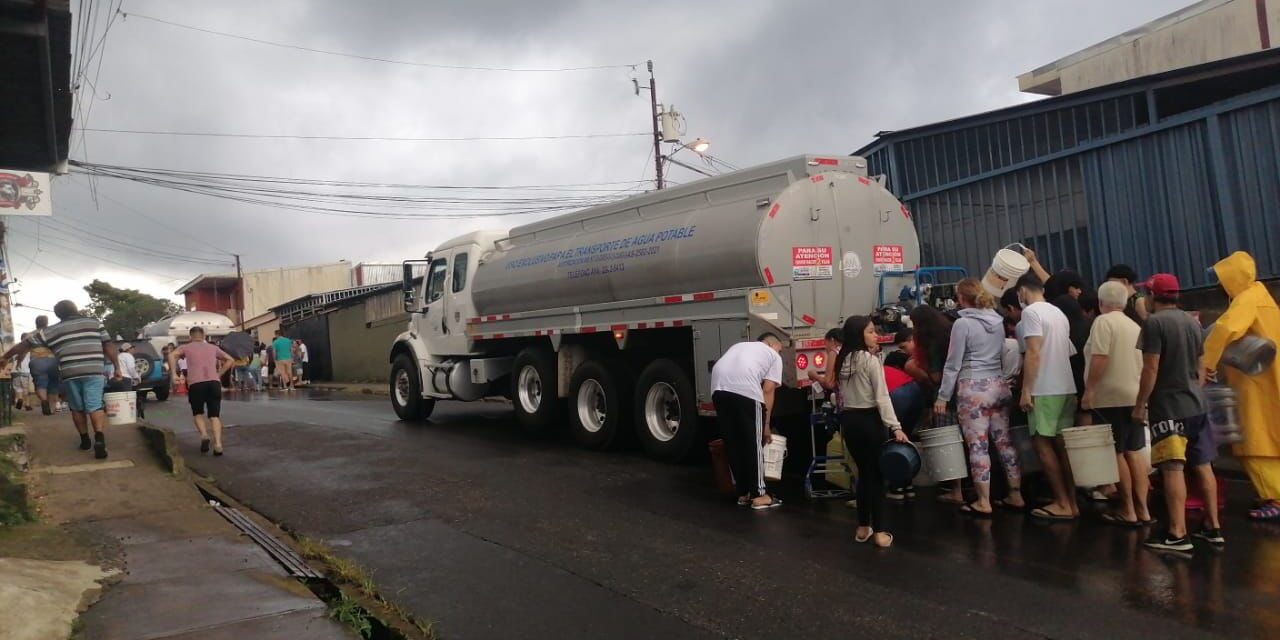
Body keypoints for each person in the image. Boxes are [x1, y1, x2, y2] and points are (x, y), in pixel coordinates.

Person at [1136, 273, 1223, 552]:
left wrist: (1140, 405)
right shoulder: (1192, 322)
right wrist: (1194, 387)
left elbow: (1151, 368)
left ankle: (1177, 533)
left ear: (1152, 295)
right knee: (1202, 464)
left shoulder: (1154, 323)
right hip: (1197, 404)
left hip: (1170, 407)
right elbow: (1202, 364)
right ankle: (1212, 526)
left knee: (1172, 467)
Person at [814, 316, 909, 548]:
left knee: (863, 473)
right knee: (876, 476)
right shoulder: (870, 360)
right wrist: (895, 426)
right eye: (870, 332)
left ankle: (863, 526)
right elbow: (882, 396)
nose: (875, 336)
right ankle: (881, 530)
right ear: (859, 335)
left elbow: (838, 394)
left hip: (849, 421)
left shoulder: (842, 359)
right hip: (870, 420)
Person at [935, 278, 1023, 515]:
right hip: (998, 385)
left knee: (978, 446)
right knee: (1004, 442)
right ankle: (1016, 494)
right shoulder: (998, 320)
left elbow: (953, 364)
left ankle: (983, 500)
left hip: (972, 388)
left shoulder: (962, 324)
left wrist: (942, 397)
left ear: (962, 298)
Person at [1203, 252, 1280, 521]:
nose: (1219, 286)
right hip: (1270, 377)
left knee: (1254, 441)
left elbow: (1226, 329)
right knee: (1272, 436)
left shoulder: (1245, 300)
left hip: (1254, 381)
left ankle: (1275, 497)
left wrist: (1206, 362)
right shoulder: (1263, 296)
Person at [1, 301, 121, 458]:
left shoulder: (51, 331)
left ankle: (85, 441)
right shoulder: (94, 323)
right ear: (75, 309)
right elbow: (108, 346)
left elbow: (24, 345)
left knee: (77, 408)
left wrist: (5, 357)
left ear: (58, 315)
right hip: (93, 370)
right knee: (95, 406)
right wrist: (117, 367)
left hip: (70, 372)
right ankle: (99, 438)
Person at [1082, 282, 1152, 527]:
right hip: (1135, 394)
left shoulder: (1103, 323)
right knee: (1134, 451)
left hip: (1110, 397)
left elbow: (1100, 358)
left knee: (1117, 452)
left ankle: (1128, 509)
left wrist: (1089, 390)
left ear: (1101, 303)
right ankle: (1143, 510)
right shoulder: (1135, 325)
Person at [1016, 274, 1080, 521]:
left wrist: (1025, 390)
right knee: (1064, 449)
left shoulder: (1031, 313)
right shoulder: (1058, 313)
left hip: (1044, 388)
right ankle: (1072, 502)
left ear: (1022, 291)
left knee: (1044, 446)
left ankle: (1061, 502)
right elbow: (1068, 350)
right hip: (1066, 386)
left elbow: (1033, 353)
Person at [710, 334, 785, 510]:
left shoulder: (740, 345)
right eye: (780, 350)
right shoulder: (773, 355)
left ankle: (743, 493)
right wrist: (766, 426)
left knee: (733, 441)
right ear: (771, 344)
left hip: (718, 389)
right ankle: (759, 494)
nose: (780, 354)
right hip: (745, 391)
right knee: (754, 442)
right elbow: (768, 390)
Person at [906, 304, 963, 505]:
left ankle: (956, 490)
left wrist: (921, 370)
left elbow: (937, 376)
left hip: (945, 396)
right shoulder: (951, 331)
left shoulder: (931, 342)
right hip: (964, 391)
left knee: (949, 441)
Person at [169, 327, 235, 456]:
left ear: (190, 336)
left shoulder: (187, 347)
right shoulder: (213, 348)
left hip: (196, 384)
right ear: (204, 335)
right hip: (213, 383)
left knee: (198, 412)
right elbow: (230, 359)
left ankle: (204, 435)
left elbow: (172, 355)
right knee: (214, 416)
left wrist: (173, 374)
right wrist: (219, 374)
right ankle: (218, 445)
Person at [27, 315, 61, 415]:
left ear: (36, 323)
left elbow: (23, 349)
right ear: (47, 323)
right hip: (52, 360)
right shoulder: (52, 333)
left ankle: (44, 401)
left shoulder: (30, 335)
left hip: (37, 361)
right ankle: (51, 409)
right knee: (53, 384)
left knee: (40, 383)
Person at [11, 336, 32, 412]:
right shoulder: (29, 349)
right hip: (25, 371)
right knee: (26, 388)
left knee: (18, 388)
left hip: (15, 371)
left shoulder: (15, 348)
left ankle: (20, 399)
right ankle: (27, 405)